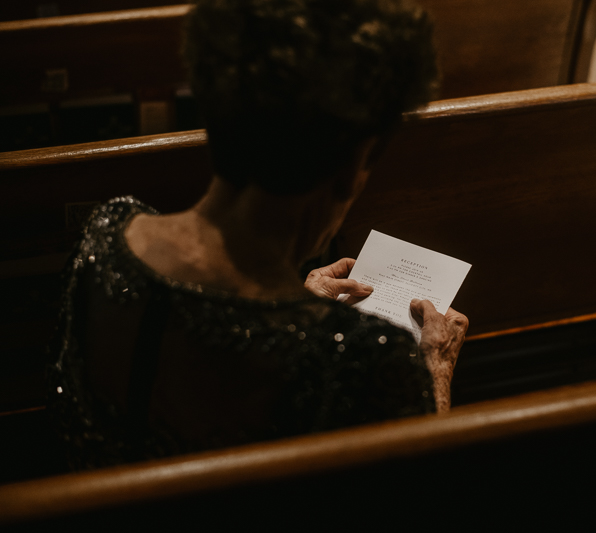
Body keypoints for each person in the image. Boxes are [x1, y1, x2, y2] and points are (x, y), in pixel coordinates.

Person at [46, 0, 468, 470]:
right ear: (353, 167)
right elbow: (419, 504)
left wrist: (298, 311)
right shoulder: (367, 359)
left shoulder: (103, 237)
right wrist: (436, 371)